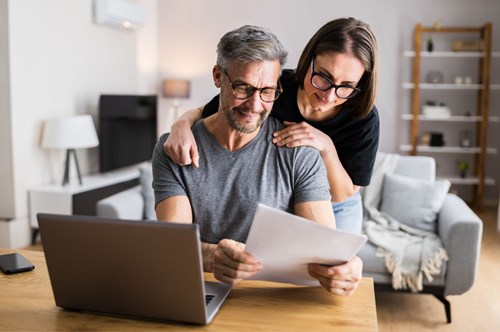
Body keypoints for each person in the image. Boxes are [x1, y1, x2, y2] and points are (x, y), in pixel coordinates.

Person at [153, 25, 362, 296]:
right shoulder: (175, 148)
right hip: (199, 292)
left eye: (267, 91)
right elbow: (172, 244)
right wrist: (211, 256)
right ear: (218, 77)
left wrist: (349, 266)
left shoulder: (300, 152)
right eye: (243, 88)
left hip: (270, 300)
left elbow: (324, 252)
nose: (255, 105)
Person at [164, 17, 380, 235]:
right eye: (323, 77)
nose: (328, 95)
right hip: (290, 195)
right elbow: (208, 111)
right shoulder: (271, 86)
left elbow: (344, 193)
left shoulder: (363, 116)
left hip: (338, 205)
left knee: (334, 264)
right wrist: (180, 125)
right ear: (309, 60)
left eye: (346, 86)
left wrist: (326, 146)